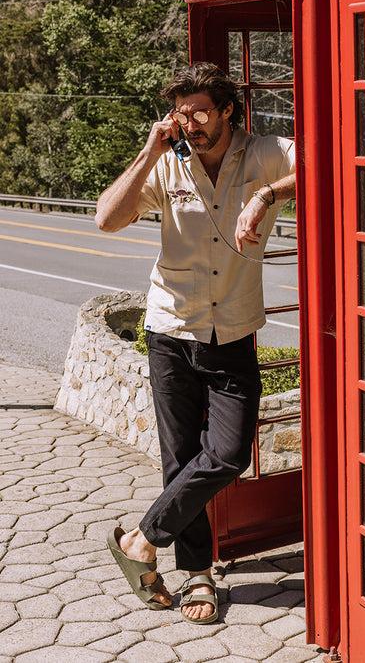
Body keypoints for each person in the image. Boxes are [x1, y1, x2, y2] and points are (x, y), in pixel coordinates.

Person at [95, 62, 296, 624]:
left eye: (201, 111)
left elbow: (329, 160)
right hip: (169, 330)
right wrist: (148, 151)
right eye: (182, 113)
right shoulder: (167, 163)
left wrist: (266, 196)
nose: (191, 123)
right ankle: (199, 576)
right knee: (179, 458)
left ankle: (139, 539)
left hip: (232, 331)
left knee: (229, 453)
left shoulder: (264, 153)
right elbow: (106, 220)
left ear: (228, 109)